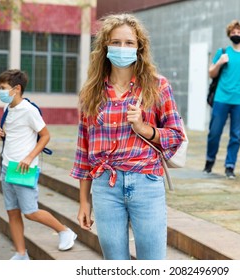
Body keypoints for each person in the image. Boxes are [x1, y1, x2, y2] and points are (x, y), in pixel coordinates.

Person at [70, 13, 184, 260]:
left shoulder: (157, 86)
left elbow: (176, 136)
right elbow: (83, 153)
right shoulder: (91, 92)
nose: (122, 48)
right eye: (116, 42)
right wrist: (83, 201)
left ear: (139, 47)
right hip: (105, 187)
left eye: (129, 43)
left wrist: (144, 129)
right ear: (105, 46)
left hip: (146, 182)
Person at [0, 69, 77, 260]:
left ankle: (65, 231)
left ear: (17, 88)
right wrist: (2, 136)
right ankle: (21, 253)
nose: (0, 92)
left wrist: (29, 157)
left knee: (30, 211)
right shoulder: (7, 109)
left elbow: (45, 135)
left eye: (3, 88)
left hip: (23, 168)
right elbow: (16, 135)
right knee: (12, 212)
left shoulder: (29, 110)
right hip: (7, 167)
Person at [203, 20, 240, 179]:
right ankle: (209, 161)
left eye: (239, 32)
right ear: (229, 34)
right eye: (233, 32)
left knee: (236, 136)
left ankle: (230, 166)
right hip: (221, 99)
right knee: (214, 133)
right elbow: (211, 74)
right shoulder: (222, 52)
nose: (236, 35)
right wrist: (219, 63)